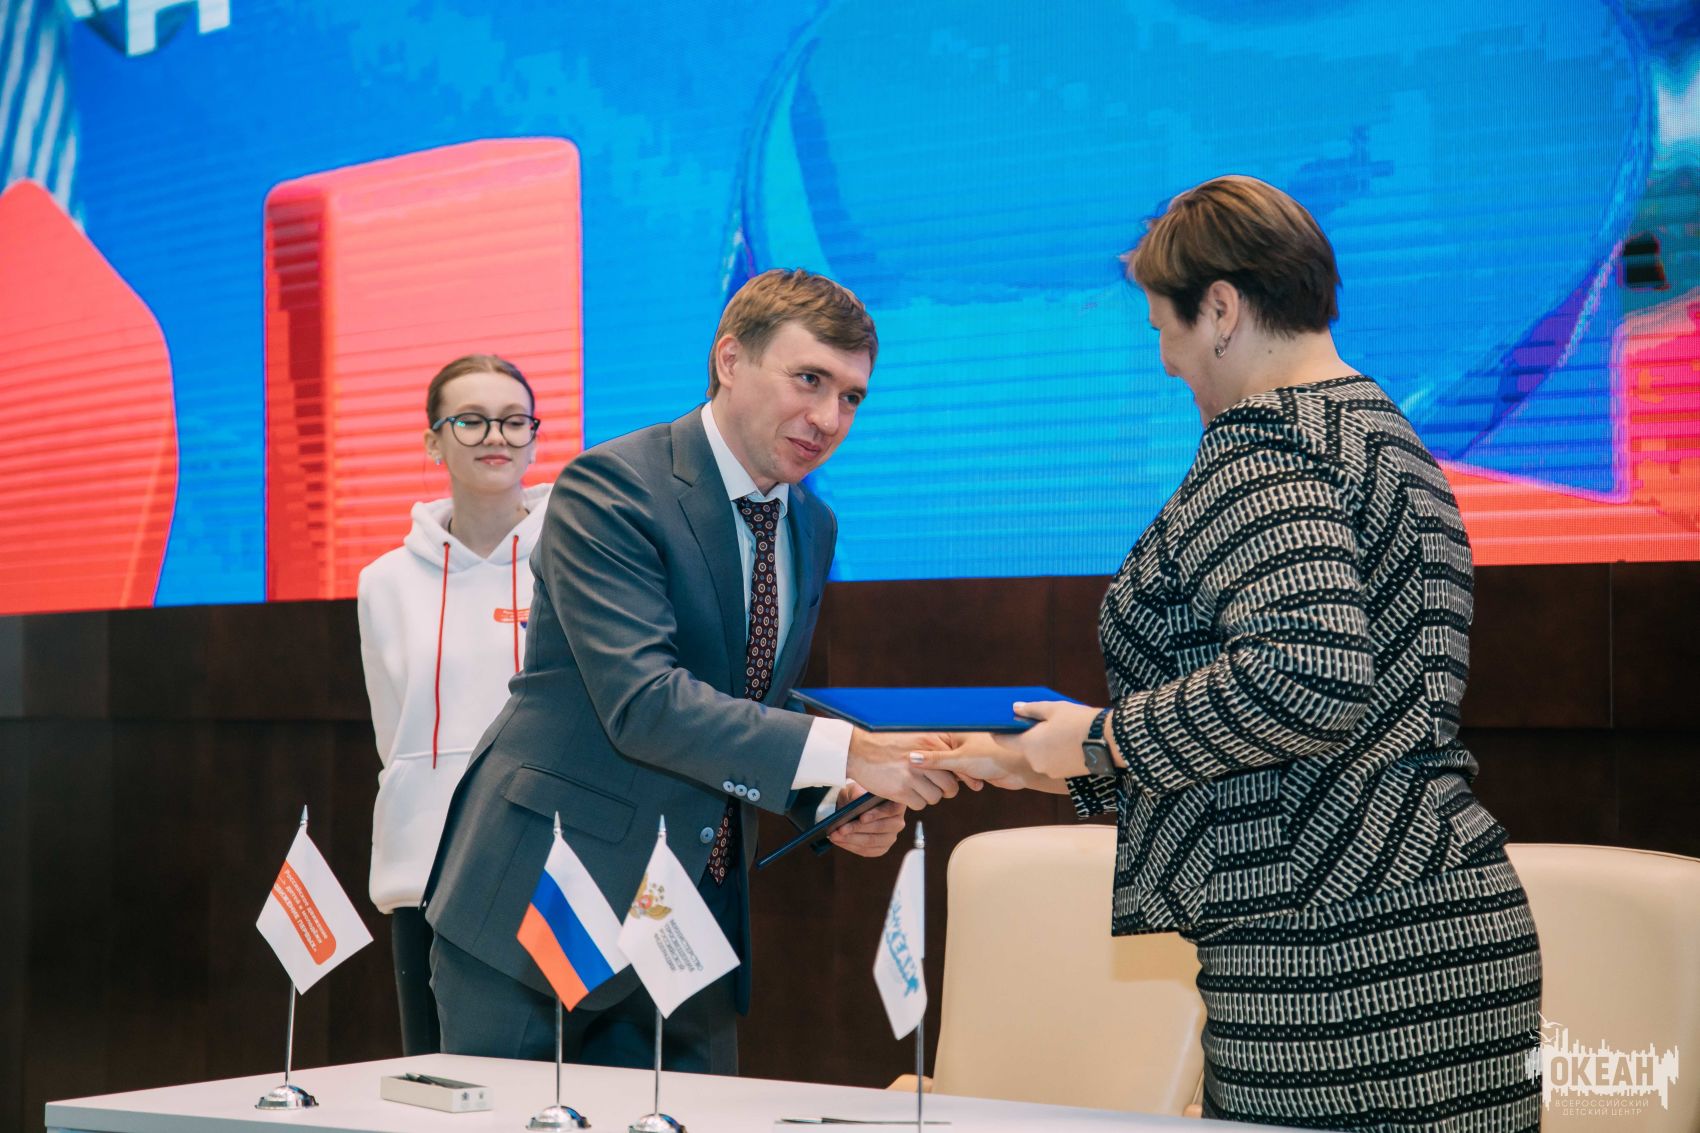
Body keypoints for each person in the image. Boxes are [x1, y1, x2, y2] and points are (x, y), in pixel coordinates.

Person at [913, 177, 1543, 1131]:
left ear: (1220, 310)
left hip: (1337, 962)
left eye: (1162, 328)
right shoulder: (1379, 430)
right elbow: (1312, 739)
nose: (1166, 362)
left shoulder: (1267, 444)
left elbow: (1309, 675)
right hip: (1424, 924)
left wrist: (1105, 737)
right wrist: (1039, 761)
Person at [423, 268, 960, 1072]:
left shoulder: (812, 523)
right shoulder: (612, 487)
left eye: (851, 396)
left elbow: (743, 697)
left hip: (686, 927)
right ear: (730, 360)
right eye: (809, 379)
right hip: (546, 906)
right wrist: (849, 750)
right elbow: (646, 702)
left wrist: (828, 797)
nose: (828, 418)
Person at [356, 353, 551, 1055]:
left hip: (550, 872)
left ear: (534, 438)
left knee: (555, 1086)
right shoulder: (384, 581)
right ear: (433, 441)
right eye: (471, 420)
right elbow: (395, 736)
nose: (495, 436)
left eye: (514, 420)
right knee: (439, 1081)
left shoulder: (579, 562)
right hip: (426, 877)